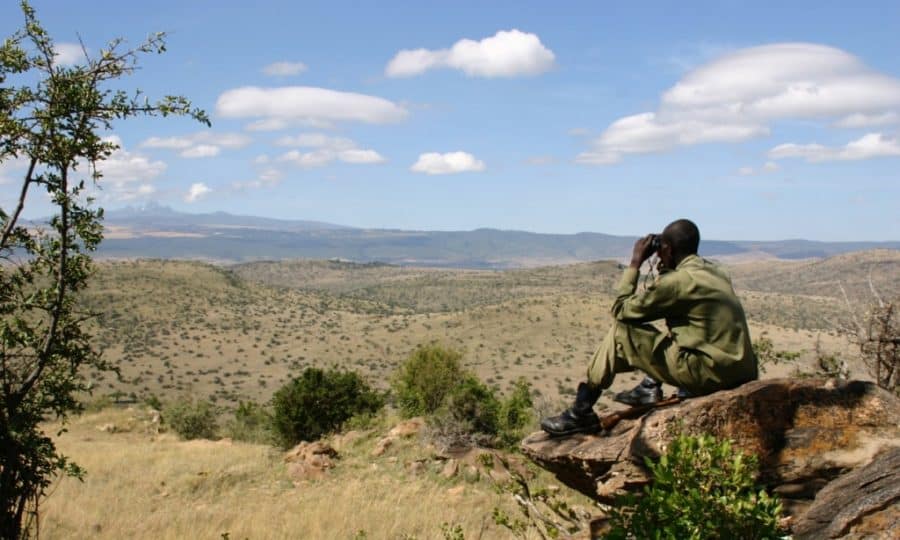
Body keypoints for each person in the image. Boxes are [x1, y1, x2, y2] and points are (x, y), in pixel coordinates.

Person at [541, 219, 758, 437]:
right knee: (672, 334)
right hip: (742, 371)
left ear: (668, 249)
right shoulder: (717, 271)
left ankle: (581, 412)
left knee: (621, 331)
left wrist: (636, 263)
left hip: (709, 374)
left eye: (662, 249)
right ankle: (648, 386)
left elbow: (621, 309)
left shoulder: (676, 282)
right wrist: (666, 264)